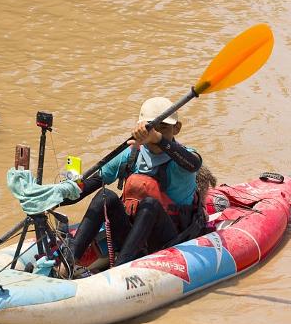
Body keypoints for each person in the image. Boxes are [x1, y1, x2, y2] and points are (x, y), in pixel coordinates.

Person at [58, 97, 206, 277]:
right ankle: (68, 262)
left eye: (163, 127)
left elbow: (194, 165)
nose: (155, 133)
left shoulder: (184, 157)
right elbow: (93, 182)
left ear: (177, 128)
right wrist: (56, 196)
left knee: (150, 204)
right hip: (131, 233)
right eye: (151, 128)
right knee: (105, 195)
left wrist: (158, 138)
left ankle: (119, 270)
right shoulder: (131, 154)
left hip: (169, 237)